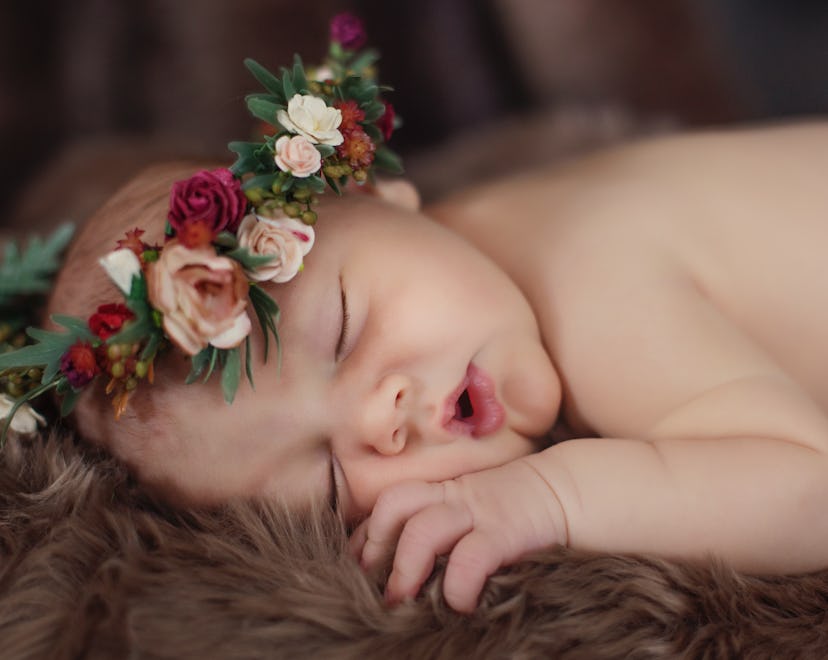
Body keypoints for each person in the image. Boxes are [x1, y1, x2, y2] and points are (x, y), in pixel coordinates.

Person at [29, 119, 828, 616]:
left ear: (379, 195)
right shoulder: (469, 266)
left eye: (345, 330)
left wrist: (549, 498)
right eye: (331, 478)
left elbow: (807, 486)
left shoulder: (591, 286)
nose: (381, 418)